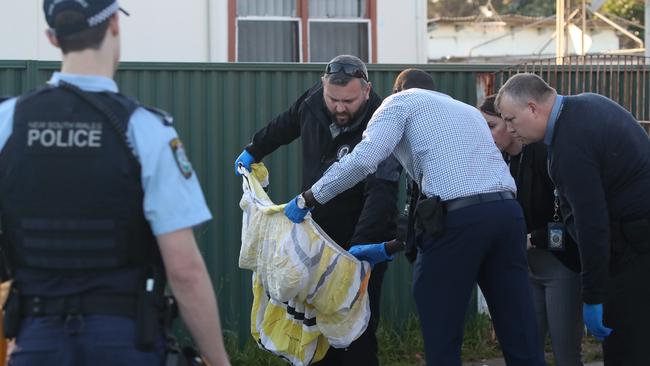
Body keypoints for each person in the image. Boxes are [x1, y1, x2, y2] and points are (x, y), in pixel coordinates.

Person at [0, 1, 230, 365]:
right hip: (126, 341)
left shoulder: (7, 121)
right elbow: (184, 269)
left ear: (51, 37)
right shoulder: (146, 130)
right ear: (114, 26)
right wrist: (218, 360)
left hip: (37, 339)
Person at [283, 68, 546, 366]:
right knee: (517, 323)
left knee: (439, 319)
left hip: (460, 220)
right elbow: (437, 196)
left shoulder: (399, 103)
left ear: (397, 91)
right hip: (508, 215)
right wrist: (390, 246)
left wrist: (310, 197)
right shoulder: (466, 111)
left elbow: (365, 159)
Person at [234, 54, 401, 366]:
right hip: (315, 234)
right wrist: (254, 150)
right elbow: (285, 124)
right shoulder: (313, 101)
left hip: (362, 239)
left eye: (348, 101)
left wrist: (359, 250)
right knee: (311, 325)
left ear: (366, 91)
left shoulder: (382, 121)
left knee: (354, 332)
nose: (339, 107)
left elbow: (381, 191)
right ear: (323, 87)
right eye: (333, 98)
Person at [495, 73, 650, 366]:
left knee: (628, 353)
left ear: (532, 108)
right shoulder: (588, 105)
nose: (509, 129)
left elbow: (591, 223)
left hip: (633, 254)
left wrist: (594, 295)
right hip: (637, 242)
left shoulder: (569, 145)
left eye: (511, 119)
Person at [480, 95, 583, 366]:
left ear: (509, 123)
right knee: (526, 350)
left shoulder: (542, 155)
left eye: (491, 126)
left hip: (560, 265)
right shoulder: (498, 160)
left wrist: (532, 238)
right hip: (524, 267)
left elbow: (572, 222)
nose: (485, 135)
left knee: (566, 354)